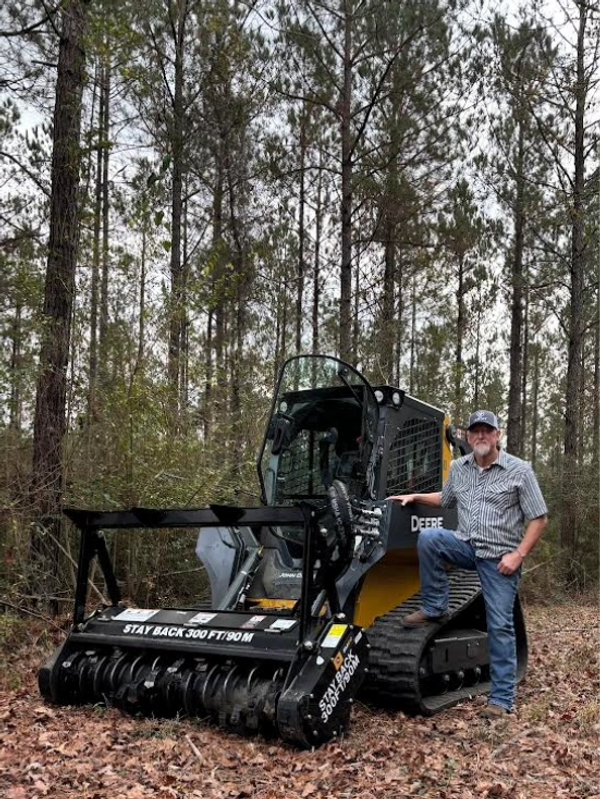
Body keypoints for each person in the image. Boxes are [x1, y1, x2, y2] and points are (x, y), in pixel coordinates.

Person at [388, 409, 547, 719]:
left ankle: (501, 699)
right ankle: (435, 606)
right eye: (476, 431)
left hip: (500, 559)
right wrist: (415, 496)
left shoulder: (519, 470)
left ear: (498, 435)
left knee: (499, 625)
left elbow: (539, 518)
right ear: (468, 436)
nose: (481, 436)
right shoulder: (460, 468)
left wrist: (518, 555)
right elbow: (445, 499)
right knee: (430, 539)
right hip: (467, 547)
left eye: (487, 430)